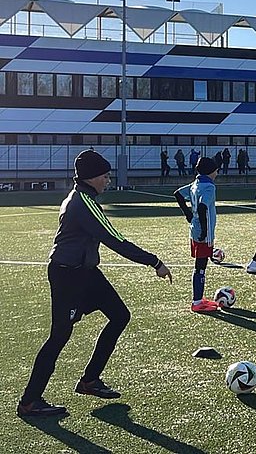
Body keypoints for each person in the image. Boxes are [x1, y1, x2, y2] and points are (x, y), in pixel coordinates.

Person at [17, 150, 172, 418]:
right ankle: (30, 401)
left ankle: (89, 380)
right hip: (68, 275)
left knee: (120, 315)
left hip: (86, 272)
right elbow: (115, 239)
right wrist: (154, 262)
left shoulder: (83, 198)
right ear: (91, 177)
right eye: (105, 176)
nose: (108, 180)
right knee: (59, 336)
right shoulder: (83, 202)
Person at [174, 157, 221, 313]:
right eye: (216, 170)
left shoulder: (195, 184)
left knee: (200, 265)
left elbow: (178, 195)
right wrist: (205, 232)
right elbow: (202, 208)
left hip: (194, 229)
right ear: (211, 171)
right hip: (202, 233)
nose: (217, 172)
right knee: (201, 267)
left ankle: (199, 299)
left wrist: (188, 214)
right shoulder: (209, 187)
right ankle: (197, 302)